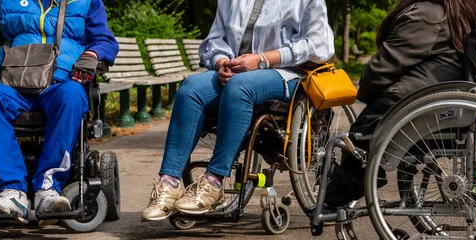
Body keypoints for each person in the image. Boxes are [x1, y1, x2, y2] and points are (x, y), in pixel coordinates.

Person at [142, 0, 334, 220]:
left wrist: (262, 59)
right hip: (235, 72)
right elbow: (215, 38)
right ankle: (169, 182)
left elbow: (319, 45)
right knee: (190, 89)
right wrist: (221, 61)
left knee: (239, 87)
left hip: (286, 73)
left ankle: (214, 181)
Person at [324, 0, 476, 207]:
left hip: (417, 105)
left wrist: (366, 91)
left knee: (359, 135)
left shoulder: (426, 15)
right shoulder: (460, 12)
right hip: (446, 103)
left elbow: (380, 70)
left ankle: (342, 190)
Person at [0, 0, 119, 223]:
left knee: (72, 94)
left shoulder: (87, 2)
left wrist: (92, 55)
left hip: (60, 84)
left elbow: (105, 40)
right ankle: (11, 191)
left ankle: (48, 189)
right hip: (12, 86)